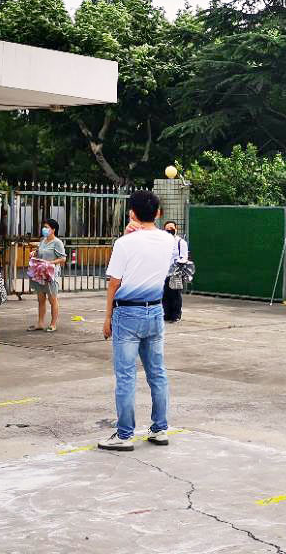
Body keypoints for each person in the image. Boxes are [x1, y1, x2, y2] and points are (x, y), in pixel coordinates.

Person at [98, 191, 177, 451]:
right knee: (157, 373)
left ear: (132, 213)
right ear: (158, 213)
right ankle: (160, 428)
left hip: (127, 313)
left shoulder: (124, 243)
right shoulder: (169, 240)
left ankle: (124, 434)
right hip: (154, 311)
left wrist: (108, 317)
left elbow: (114, 282)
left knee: (126, 375)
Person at [28, 219, 66, 332]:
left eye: (47, 227)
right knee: (40, 299)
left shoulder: (57, 243)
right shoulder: (42, 240)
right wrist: (34, 253)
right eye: (44, 227)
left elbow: (63, 258)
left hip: (50, 275)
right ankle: (40, 323)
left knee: (52, 299)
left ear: (53, 230)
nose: (44, 229)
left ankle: (53, 324)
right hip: (40, 274)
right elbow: (39, 252)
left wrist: (50, 263)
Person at [161, 221, 189, 323]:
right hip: (164, 272)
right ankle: (167, 314)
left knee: (175, 294)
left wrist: (177, 265)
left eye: (171, 229)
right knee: (165, 294)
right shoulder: (162, 243)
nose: (169, 231)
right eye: (167, 229)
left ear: (176, 229)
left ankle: (176, 315)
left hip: (176, 272)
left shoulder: (180, 242)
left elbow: (184, 257)